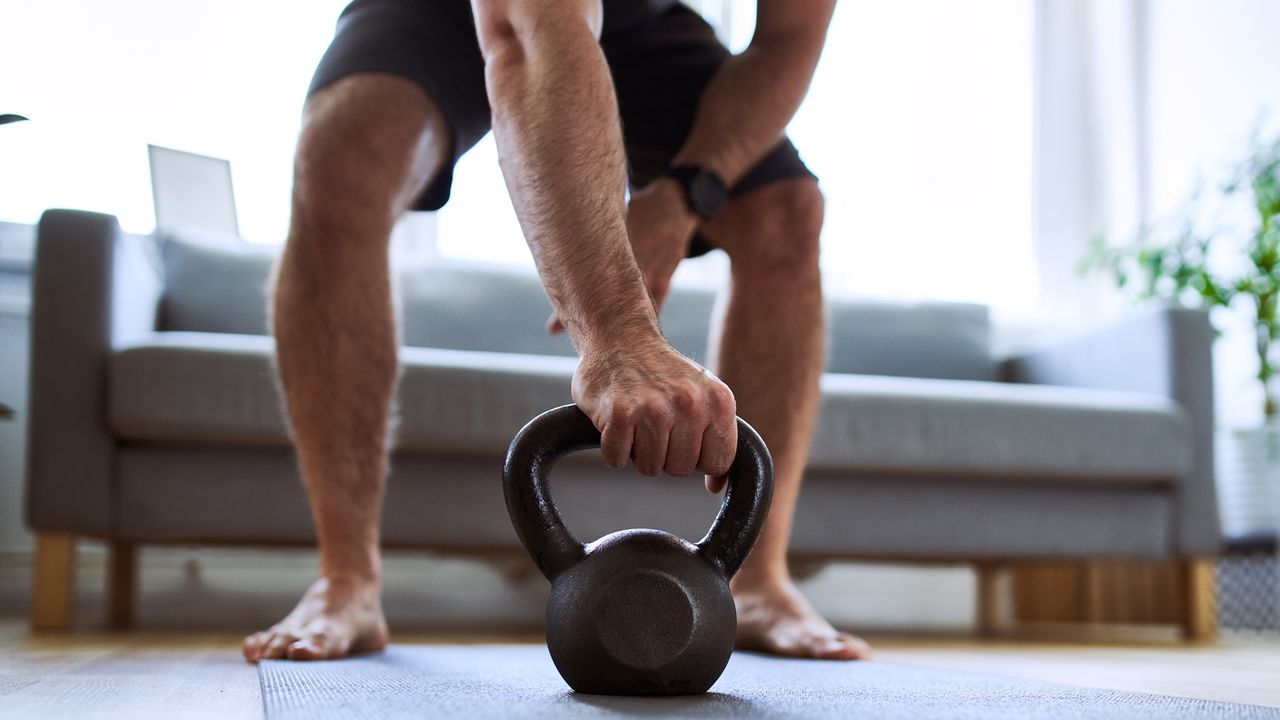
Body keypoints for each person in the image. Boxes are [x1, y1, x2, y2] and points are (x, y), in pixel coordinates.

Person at [242, 0, 869, 663]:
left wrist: (684, 196)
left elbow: (786, 42)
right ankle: (346, 581)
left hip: (641, 16)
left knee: (784, 213)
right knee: (341, 159)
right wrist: (616, 334)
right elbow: (524, 35)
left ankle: (760, 582)